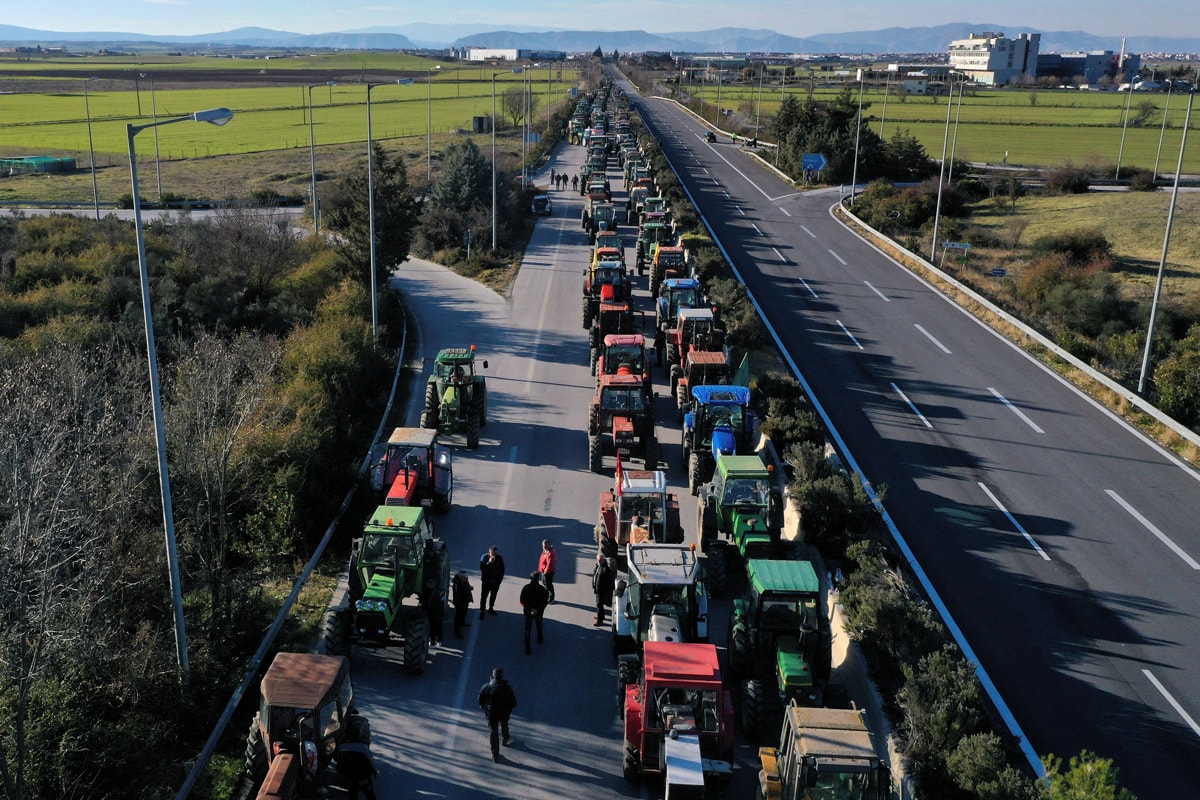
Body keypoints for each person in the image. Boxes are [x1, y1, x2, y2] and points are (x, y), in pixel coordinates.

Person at [477, 667, 518, 763]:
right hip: (504, 713)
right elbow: (514, 702)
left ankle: (495, 753)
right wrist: (508, 709)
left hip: (492, 714)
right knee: (504, 724)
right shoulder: (507, 688)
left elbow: (480, 698)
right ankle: (505, 737)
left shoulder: (486, 687)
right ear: (501, 676)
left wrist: (483, 706)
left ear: (493, 676)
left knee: (493, 732)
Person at [337, 723, 379, 800]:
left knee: (353, 793)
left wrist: (341, 773)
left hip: (350, 775)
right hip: (362, 776)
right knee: (369, 794)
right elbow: (370, 761)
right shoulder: (363, 748)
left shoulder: (342, 747)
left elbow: (339, 761)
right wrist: (374, 772)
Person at [519, 572, 549, 654]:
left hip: (528, 612)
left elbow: (522, 601)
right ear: (538, 579)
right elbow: (544, 602)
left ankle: (527, 647)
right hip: (538, 612)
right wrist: (537, 610)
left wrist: (530, 609)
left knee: (527, 628)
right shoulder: (542, 589)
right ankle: (540, 639)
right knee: (539, 625)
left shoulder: (526, 588)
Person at [479, 546, 505, 619]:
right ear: (489, 552)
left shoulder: (499, 558)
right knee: (484, 596)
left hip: (495, 582)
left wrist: (499, 581)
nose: (493, 554)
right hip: (486, 581)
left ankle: (491, 607)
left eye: (495, 553)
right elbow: (482, 569)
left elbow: (502, 570)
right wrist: (489, 562)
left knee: (493, 595)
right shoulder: (484, 557)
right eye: (492, 553)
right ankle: (482, 610)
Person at [593, 554, 616, 626]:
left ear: (603, 560)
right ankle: (601, 616)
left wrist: (607, 591)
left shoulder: (605, 569)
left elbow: (609, 582)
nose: (599, 561)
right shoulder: (598, 566)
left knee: (599, 604)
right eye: (598, 560)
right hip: (598, 589)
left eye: (600, 560)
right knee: (600, 604)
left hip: (601, 590)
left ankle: (599, 620)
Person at [423, 577, 445, 646]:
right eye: (428, 582)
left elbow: (440, 600)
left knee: (438, 626)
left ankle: (439, 640)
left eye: (431, 582)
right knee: (431, 627)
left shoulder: (440, 591)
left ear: (435, 583)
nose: (430, 584)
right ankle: (432, 641)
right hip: (429, 611)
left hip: (437, 612)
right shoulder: (426, 590)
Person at [452, 570, 474, 638]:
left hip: (465, 601)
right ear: (459, 576)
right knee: (458, 617)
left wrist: (470, 588)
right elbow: (457, 595)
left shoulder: (464, 581)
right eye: (463, 576)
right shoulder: (456, 584)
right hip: (460, 603)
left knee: (464, 612)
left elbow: (467, 587)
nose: (465, 577)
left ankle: (462, 623)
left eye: (465, 575)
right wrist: (460, 603)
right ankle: (457, 632)